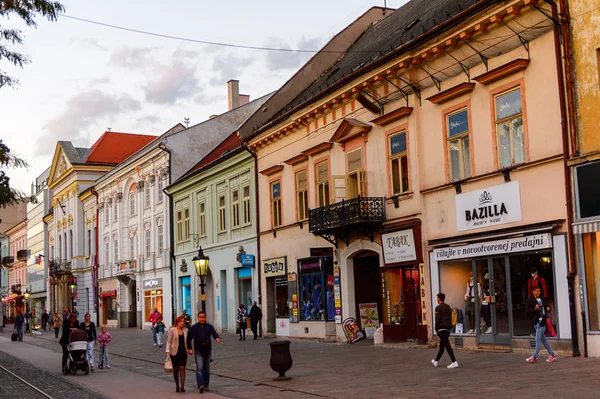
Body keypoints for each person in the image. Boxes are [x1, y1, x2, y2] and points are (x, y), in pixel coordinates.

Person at [187, 311, 221, 394]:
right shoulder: (194, 328)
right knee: (200, 368)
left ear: (205, 318)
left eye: (203, 317)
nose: (202, 319)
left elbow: (214, 334)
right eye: (200, 317)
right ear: (198, 318)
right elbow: (189, 338)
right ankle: (200, 385)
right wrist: (189, 348)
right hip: (198, 350)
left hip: (207, 349)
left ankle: (206, 385)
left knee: (207, 369)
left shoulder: (209, 327)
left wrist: (217, 338)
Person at [526, 286, 558, 363]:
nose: (538, 293)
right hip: (536, 322)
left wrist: (548, 308)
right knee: (543, 339)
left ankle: (535, 356)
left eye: (539, 291)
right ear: (533, 292)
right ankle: (552, 354)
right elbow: (527, 312)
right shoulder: (530, 300)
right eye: (537, 291)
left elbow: (548, 307)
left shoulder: (543, 299)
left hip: (543, 321)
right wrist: (534, 309)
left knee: (537, 339)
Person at [432, 293, 458, 369]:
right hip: (447, 329)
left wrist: (436, 329)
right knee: (442, 346)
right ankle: (436, 361)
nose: (437, 299)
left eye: (437, 298)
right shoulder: (448, 307)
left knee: (447, 345)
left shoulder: (438, 308)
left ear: (439, 299)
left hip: (441, 329)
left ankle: (454, 362)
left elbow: (437, 319)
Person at [166, 317, 189, 393]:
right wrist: (167, 350)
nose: (182, 323)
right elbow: (169, 341)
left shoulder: (186, 330)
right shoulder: (172, 330)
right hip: (174, 352)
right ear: (177, 322)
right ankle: (177, 384)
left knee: (182, 368)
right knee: (176, 369)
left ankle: (182, 386)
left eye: (183, 321)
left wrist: (189, 349)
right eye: (181, 321)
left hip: (183, 352)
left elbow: (188, 341)